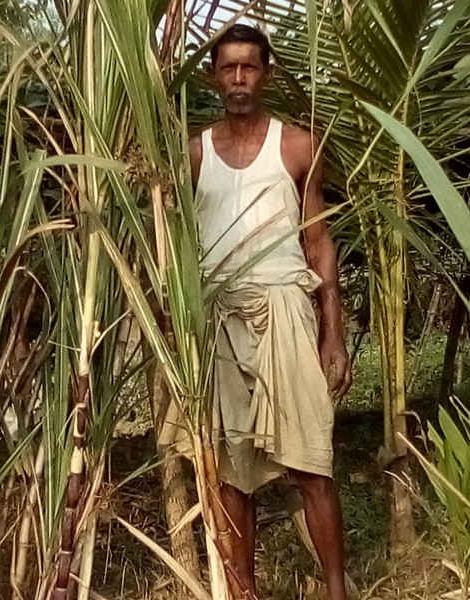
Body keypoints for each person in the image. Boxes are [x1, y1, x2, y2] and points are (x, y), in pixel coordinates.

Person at [169, 23, 353, 600]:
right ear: (214, 76)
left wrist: (333, 333)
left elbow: (319, 241)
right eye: (229, 68)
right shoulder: (192, 153)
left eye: (250, 67)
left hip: (286, 313)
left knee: (312, 464)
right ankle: (243, 589)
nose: (239, 78)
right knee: (230, 471)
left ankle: (335, 589)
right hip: (217, 320)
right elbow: (175, 246)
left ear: (267, 73)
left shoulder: (297, 145)